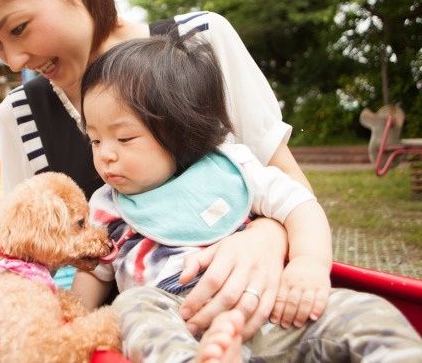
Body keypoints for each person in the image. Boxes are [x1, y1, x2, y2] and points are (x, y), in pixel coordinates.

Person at [0, 0, 422, 356]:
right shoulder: (18, 116)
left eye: (18, 28)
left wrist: (267, 235)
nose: (16, 59)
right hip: (144, 335)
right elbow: (32, 265)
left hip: (268, 300)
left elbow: (288, 187)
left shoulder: (200, 41)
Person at [78, 31, 422, 361]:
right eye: (95, 140)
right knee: (131, 308)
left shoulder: (233, 169)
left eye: (124, 139)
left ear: (180, 131)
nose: (105, 154)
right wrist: (71, 318)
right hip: (180, 322)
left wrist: (308, 264)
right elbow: (93, 274)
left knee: (368, 312)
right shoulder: (107, 206)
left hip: (272, 310)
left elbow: (300, 206)